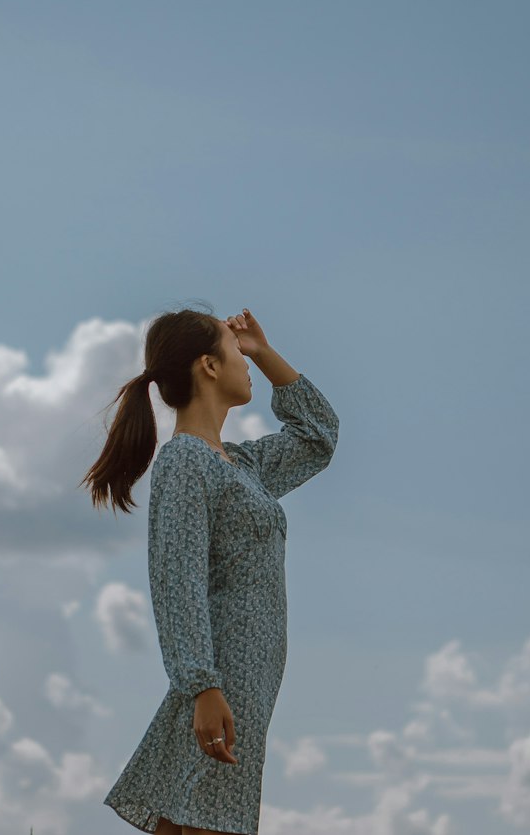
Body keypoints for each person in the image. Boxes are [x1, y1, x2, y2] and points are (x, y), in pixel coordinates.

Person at [81, 303, 340, 834]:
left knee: (194, 821)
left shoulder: (243, 466)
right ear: (209, 366)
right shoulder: (185, 462)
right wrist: (202, 685)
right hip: (223, 677)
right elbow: (177, 579)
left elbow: (319, 436)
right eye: (235, 349)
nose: (245, 360)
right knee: (206, 820)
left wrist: (265, 353)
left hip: (243, 677)